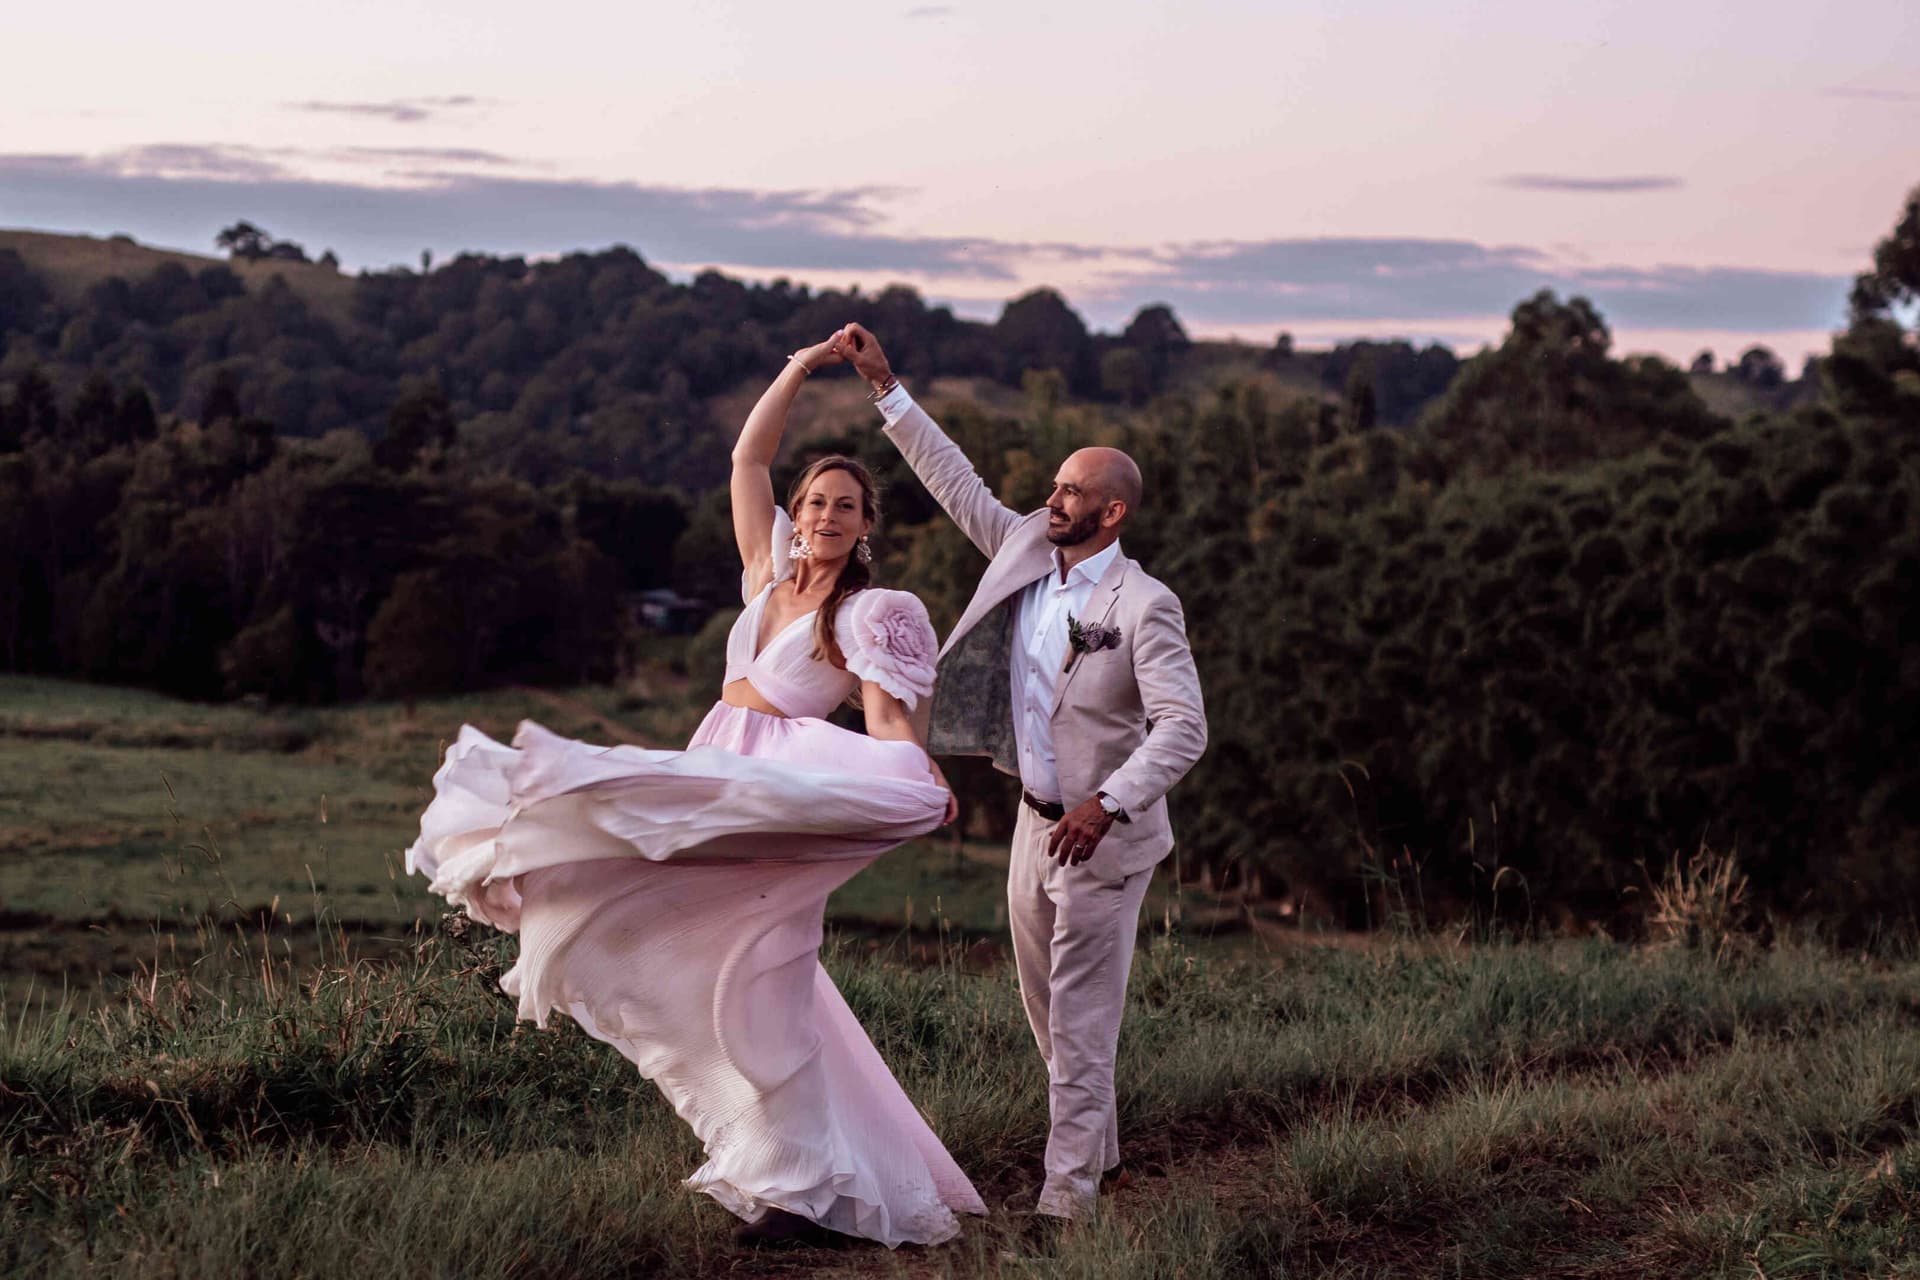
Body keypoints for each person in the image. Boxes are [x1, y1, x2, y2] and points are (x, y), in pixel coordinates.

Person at [404, 330, 985, 1249]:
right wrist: (801, 370)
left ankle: (801, 1192)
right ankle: (786, 1173)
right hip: (715, 769)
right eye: (816, 502)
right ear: (798, 513)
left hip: (778, 795)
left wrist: (913, 771)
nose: (829, 516)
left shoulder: (870, 613)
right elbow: (748, 455)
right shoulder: (764, 575)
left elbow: (885, 722)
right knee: (677, 945)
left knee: (769, 981)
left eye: (846, 507)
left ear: (868, 524)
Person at [835, 322, 1207, 1223]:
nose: (1054, 498)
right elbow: (954, 480)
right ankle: (1103, 1158)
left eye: (1071, 490)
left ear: (1111, 512)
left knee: (1079, 1025)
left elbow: (1184, 729)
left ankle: (1064, 1203)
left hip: (1104, 842)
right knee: (1048, 1015)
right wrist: (887, 387)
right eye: (1054, 486)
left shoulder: (1145, 607)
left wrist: (1106, 804)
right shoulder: (1029, 553)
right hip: (1032, 828)